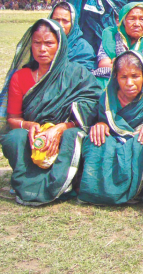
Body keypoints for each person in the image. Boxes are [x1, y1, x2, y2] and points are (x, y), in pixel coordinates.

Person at [0, 19, 101, 205]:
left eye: (49, 43)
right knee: (14, 138)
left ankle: (66, 182)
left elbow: (92, 107)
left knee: (73, 136)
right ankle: (26, 184)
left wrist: (61, 128)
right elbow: (13, 118)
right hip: (35, 136)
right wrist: (30, 126)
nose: (42, 49)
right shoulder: (20, 77)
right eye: (37, 43)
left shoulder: (76, 74)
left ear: (60, 45)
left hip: (66, 132)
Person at [77, 51, 143, 205]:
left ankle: (135, 192)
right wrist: (100, 124)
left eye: (135, 76)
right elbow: (99, 119)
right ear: (115, 77)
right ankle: (98, 193)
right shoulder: (108, 97)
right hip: (114, 139)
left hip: (140, 140)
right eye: (123, 77)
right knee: (95, 142)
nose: (129, 83)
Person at [95, 2, 143, 85]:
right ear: (123, 22)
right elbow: (104, 66)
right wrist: (140, 70)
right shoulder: (111, 38)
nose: (137, 24)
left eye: (142, 19)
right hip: (112, 82)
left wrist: (117, 64)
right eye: (132, 19)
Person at [49, 2, 97, 71]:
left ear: (73, 24)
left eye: (65, 21)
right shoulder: (43, 43)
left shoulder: (82, 48)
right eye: (56, 20)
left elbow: (83, 76)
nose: (60, 25)